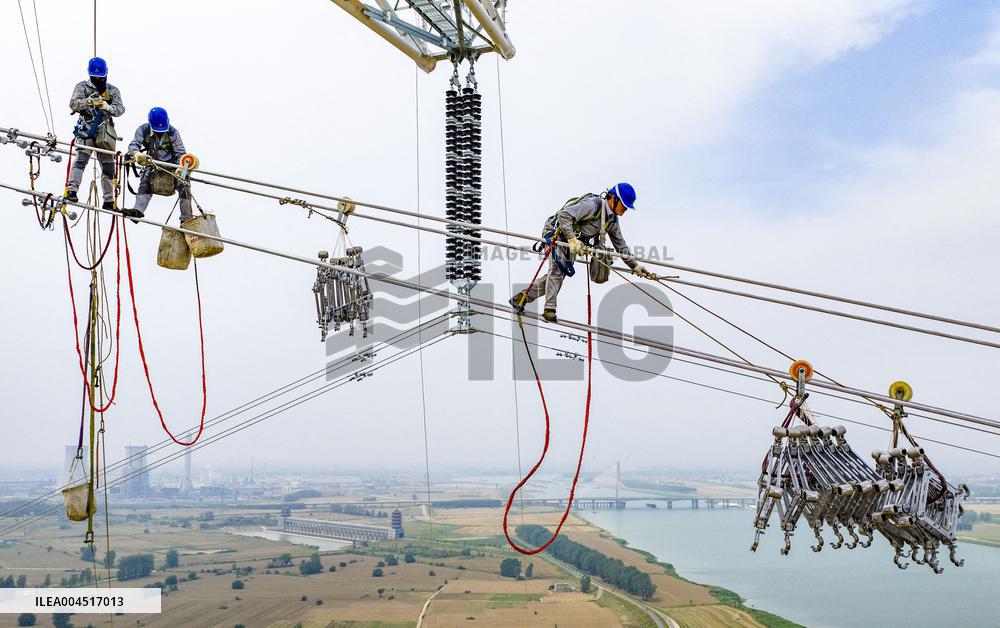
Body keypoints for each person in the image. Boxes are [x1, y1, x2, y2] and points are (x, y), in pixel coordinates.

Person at [510, 182, 653, 322]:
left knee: (559, 274)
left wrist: (634, 266)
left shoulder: (612, 220)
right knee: (558, 270)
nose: (625, 210)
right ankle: (549, 309)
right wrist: (572, 239)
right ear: (613, 199)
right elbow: (564, 215)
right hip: (557, 233)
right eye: (624, 206)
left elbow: (620, 245)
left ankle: (522, 297)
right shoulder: (593, 205)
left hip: (573, 240)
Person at [67, 57, 125, 209]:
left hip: (105, 131)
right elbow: (73, 103)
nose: (98, 78)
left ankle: (109, 200)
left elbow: (120, 109)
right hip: (87, 129)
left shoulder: (112, 91)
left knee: (108, 167)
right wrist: (89, 101)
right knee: (81, 159)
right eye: (95, 76)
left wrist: (107, 106)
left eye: (100, 76)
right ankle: (72, 190)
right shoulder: (83, 87)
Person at [124, 107, 192, 222]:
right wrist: (137, 154)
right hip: (153, 164)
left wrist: (181, 169)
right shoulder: (143, 130)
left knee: (184, 183)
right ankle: (138, 211)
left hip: (172, 167)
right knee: (145, 181)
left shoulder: (173, 132)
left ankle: (186, 219)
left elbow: (181, 153)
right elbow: (133, 146)